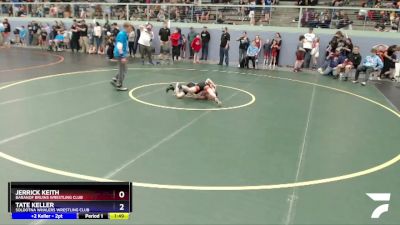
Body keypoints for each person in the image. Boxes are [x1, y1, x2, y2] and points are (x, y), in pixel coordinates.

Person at [111, 22, 133, 91]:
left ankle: (115, 78)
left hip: (121, 54)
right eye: (130, 27)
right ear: (126, 27)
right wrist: (123, 56)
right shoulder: (122, 34)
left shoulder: (124, 34)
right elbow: (119, 46)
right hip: (120, 54)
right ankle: (119, 85)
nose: (131, 29)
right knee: (122, 70)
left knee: (124, 69)